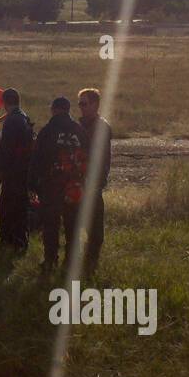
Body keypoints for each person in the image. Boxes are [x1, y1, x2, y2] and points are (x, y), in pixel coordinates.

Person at [29, 96, 90, 276]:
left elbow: (37, 159)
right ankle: (70, 261)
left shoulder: (48, 130)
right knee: (72, 224)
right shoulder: (80, 131)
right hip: (74, 186)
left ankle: (50, 260)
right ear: (68, 109)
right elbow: (88, 156)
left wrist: (32, 183)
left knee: (51, 224)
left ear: (54, 109)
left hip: (51, 185)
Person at [0, 88, 33, 248]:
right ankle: (20, 240)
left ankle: (8, 239)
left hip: (13, 171)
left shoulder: (11, 121)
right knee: (21, 206)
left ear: (4, 102)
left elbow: (6, 149)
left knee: (7, 206)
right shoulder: (24, 117)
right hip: (24, 169)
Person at [77, 87, 112, 276]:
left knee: (95, 226)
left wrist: (97, 181)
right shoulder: (80, 125)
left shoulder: (101, 127)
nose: (81, 107)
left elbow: (103, 158)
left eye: (84, 103)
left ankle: (91, 263)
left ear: (95, 105)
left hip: (93, 181)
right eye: (79, 104)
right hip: (76, 182)